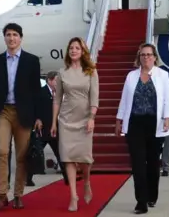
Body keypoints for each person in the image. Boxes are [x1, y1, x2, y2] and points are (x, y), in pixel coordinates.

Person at [0, 23, 43, 210]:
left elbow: (36, 91)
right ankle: (2, 194)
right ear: (5, 38)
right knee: (2, 150)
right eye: (8, 35)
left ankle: (18, 195)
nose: (11, 38)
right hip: (3, 112)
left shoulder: (31, 61)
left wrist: (39, 116)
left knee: (22, 155)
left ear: (21, 38)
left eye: (15, 34)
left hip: (24, 113)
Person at [115, 43, 169, 214]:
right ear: (139, 57)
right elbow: (125, 100)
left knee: (153, 163)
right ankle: (141, 201)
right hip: (135, 124)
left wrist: (167, 118)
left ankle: (152, 196)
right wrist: (119, 120)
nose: (146, 57)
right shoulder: (131, 76)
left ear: (155, 57)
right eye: (143, 55)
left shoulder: (163, 75)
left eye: (149, 54)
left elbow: (167, 99)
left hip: (155, 124)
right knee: (138, 164)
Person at [51, 37, 99, 212]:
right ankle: (73, 195)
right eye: (71, 48)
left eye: (77, 48)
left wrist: (92, 117)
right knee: (68, 158)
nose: (73, 50)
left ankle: (86, 182)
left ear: (82, 51)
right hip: (66, 120)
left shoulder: (91, 71)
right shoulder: (62, 72)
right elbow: (57, 100)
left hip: (85, 119)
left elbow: (95, 97)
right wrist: (54, 122)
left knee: (85, 159)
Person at [27, 71, 69, 186]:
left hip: (54, 129)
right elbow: (33, 107)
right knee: (35, 154)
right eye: (56, 80)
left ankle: (67, 178)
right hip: (43, 129)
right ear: (49, 81)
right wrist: (37, 119)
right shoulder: (41, 92)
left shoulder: (59, 94)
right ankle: (28, 178)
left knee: (61, 154)